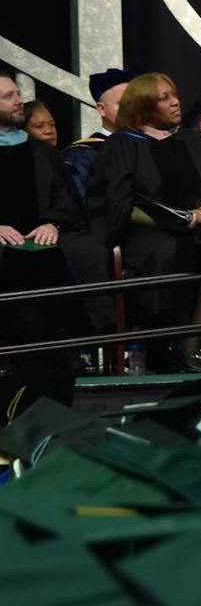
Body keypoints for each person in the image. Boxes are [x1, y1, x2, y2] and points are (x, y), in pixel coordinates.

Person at [85, 72, 201, 371]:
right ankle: (163, 347)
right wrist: (167, 220)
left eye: (174, 94)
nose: (176, 102)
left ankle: (194, 345)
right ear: (144, 106)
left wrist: (199, 215)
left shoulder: (196, 140)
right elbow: (114, 204)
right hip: (150, 228)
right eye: (164, 98)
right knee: (165, 251)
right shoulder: (121, 146)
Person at [0, 75, 113, 407]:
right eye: (8, 96)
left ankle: (70, 354)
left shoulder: (41, 152)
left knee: (82, 252)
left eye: (17, 94)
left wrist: (54, 223)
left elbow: (67, 199)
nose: (18, 101)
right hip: (6, 251)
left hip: (45, 242)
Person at [63, 68, 134, 199]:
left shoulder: (147, 146)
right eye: (122, 103)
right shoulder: (82, 154)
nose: (130, 109)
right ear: (102, 109)